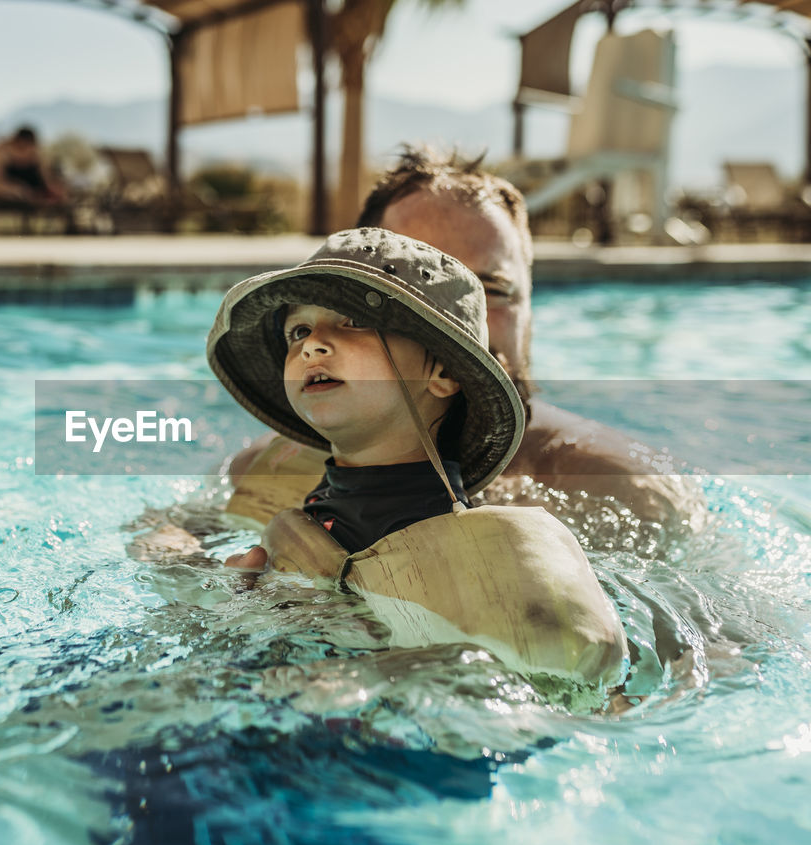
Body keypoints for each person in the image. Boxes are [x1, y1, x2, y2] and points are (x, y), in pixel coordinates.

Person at [210, 227, 627, 684]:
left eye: (353, 321)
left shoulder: (493, 555)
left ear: (443, 372)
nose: (312, 344)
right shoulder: (299, 513)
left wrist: (370, 677)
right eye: (299, 330)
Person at [226, 145, 705, 533]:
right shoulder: (258, 472)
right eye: (411, 293)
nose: (455, 323)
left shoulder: (626, 488)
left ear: (531, 309)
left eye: (488, 291)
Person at [0, 126, 66, 208]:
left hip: (34, 200)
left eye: (28, 148)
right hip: (8, 198)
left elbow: (47, 183)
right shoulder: (0, 156)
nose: (24, 155)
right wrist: (16, 190)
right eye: (20, 148)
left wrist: (54, 190)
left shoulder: (36, 157)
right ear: (14, 144)